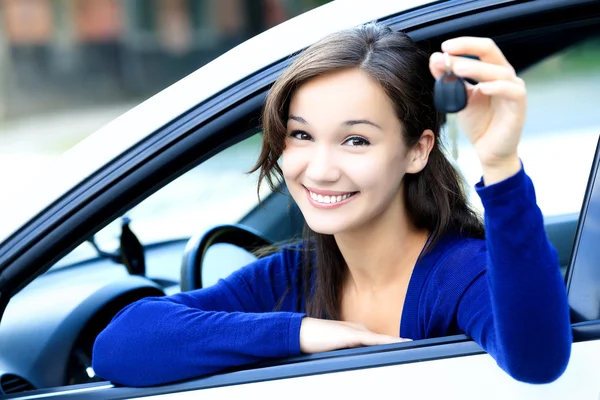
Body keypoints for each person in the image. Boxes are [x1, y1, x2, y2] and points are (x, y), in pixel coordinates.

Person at [92, 23, 572, 387]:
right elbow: (122, 344)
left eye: (356, 140)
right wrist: (302, 334)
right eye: (301, 134)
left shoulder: (457, 273)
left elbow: (537, 359)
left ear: (417, 150)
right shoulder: (292, 278)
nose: (319, 169)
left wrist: (501, 162)